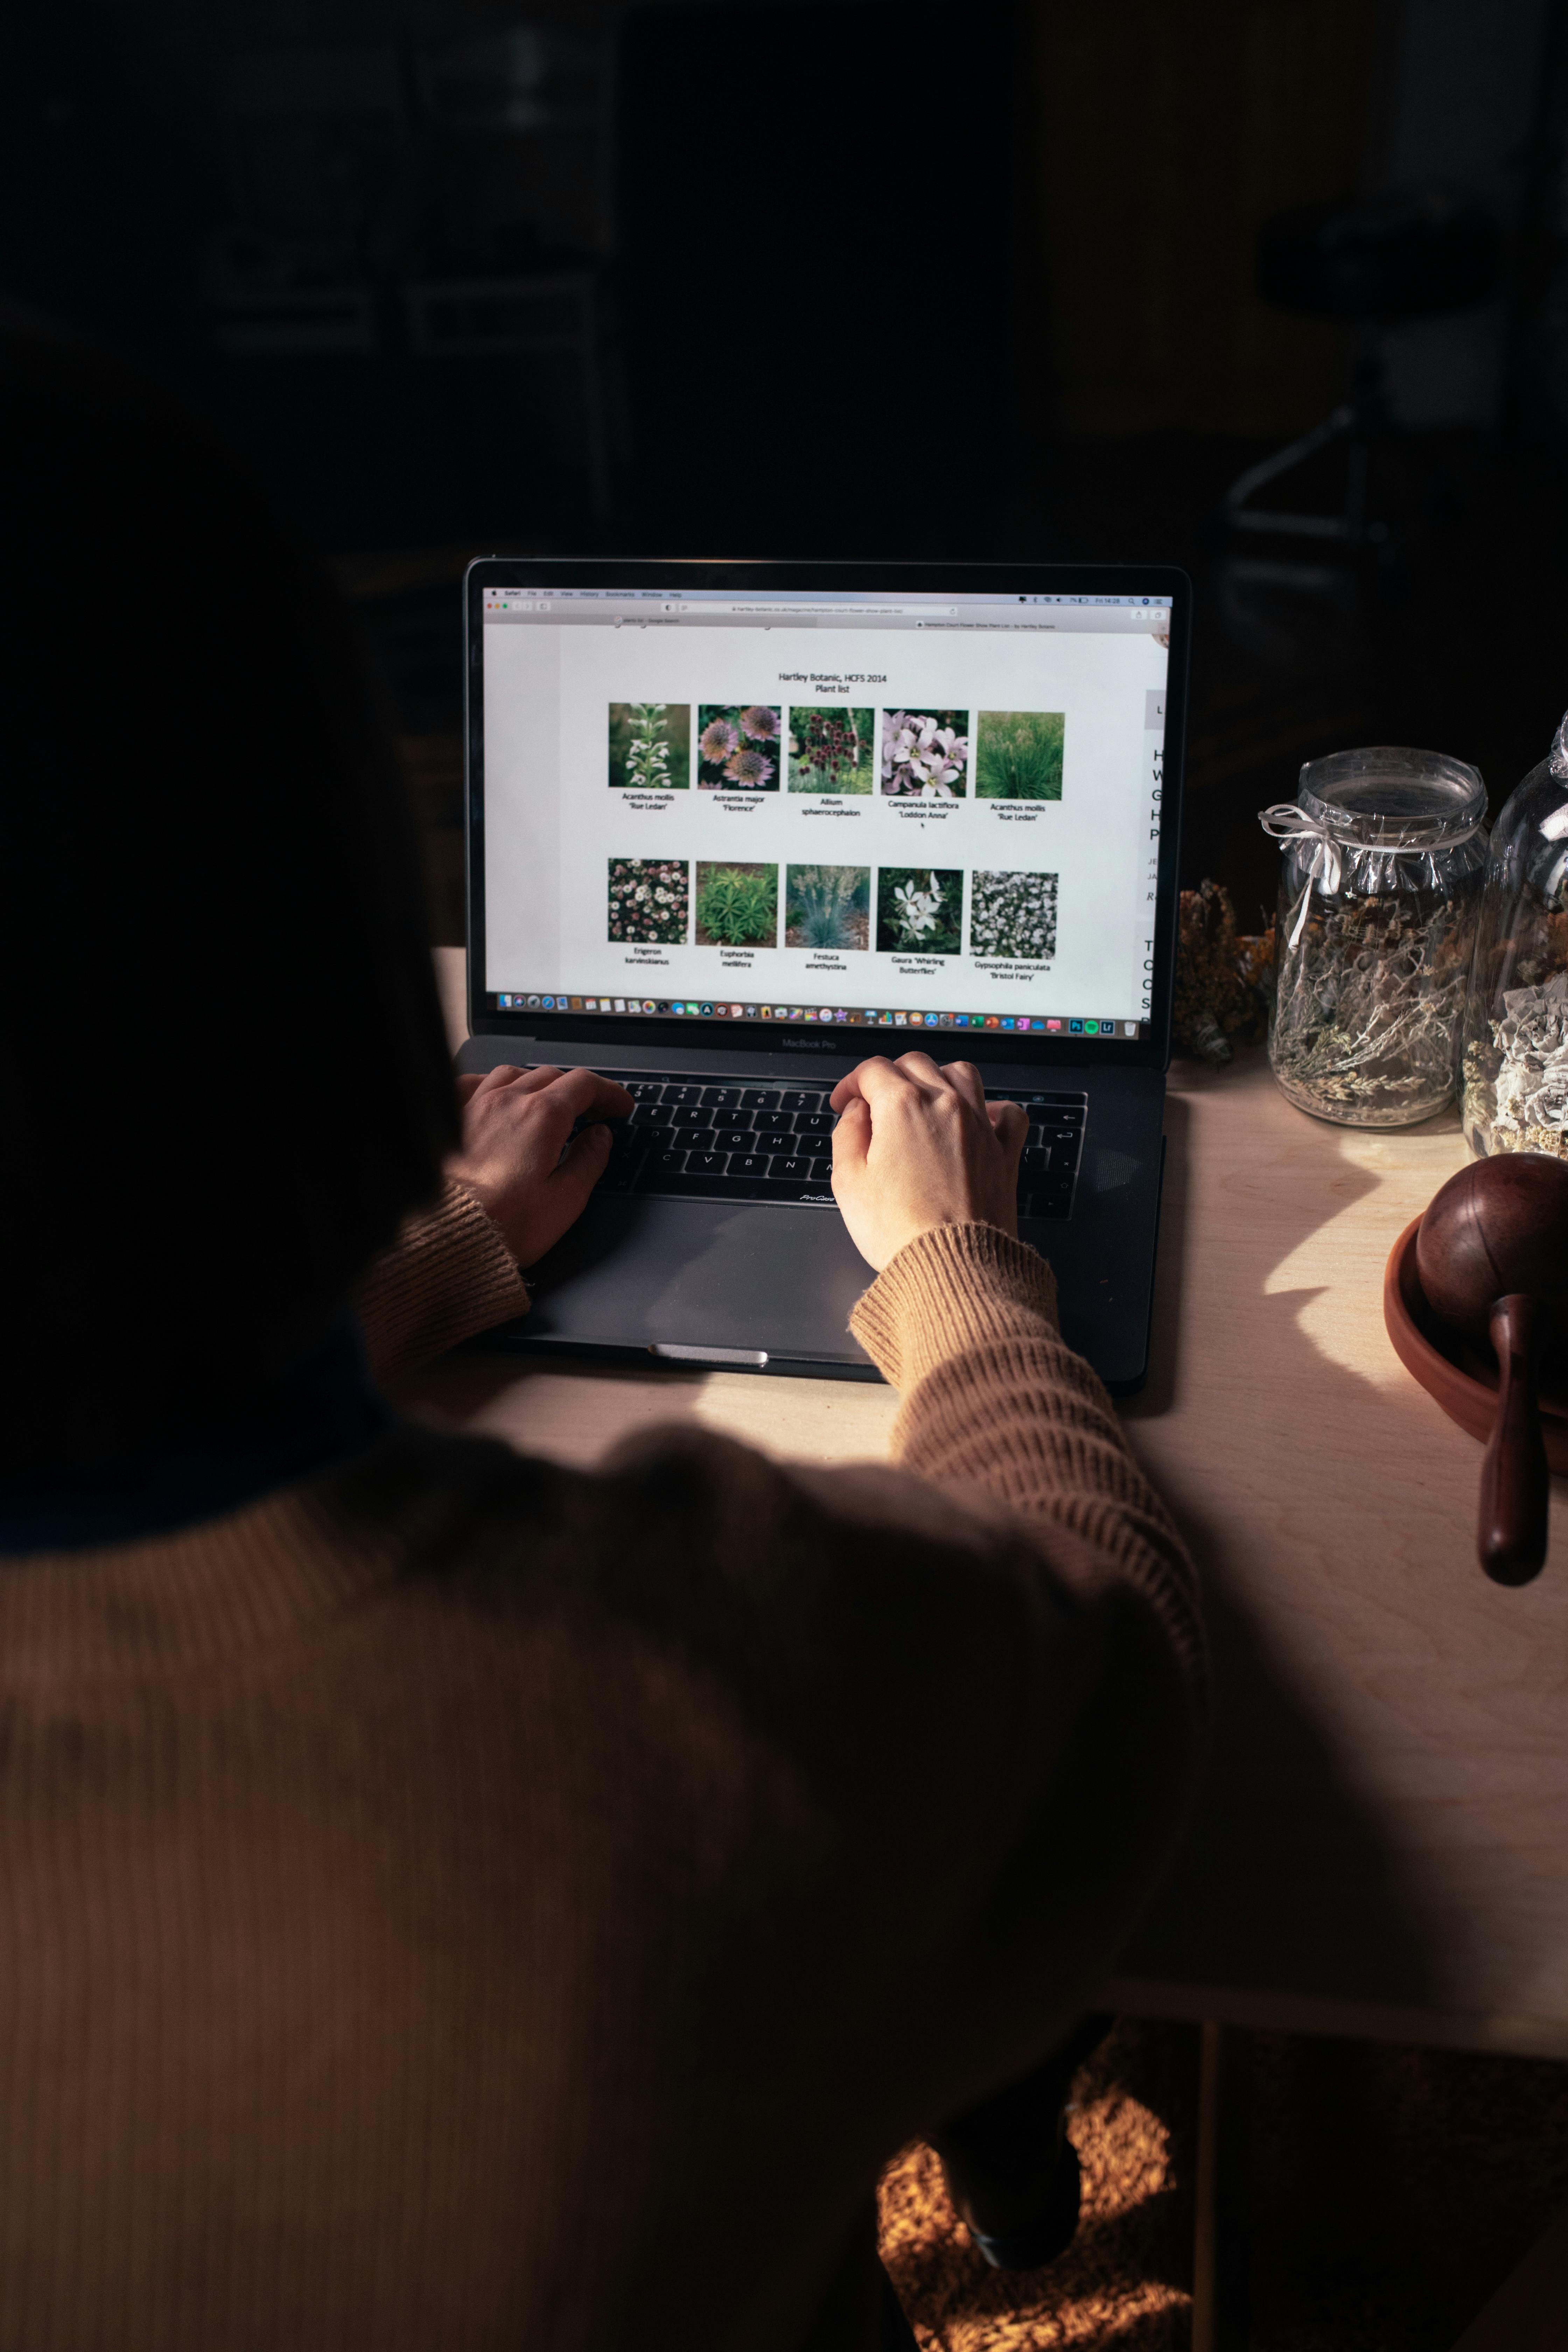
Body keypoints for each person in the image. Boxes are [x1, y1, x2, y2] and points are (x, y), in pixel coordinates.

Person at [0, 311, 1204, 2352]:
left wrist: (458, 1253)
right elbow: (1125, 1685)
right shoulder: (707, 1676)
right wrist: (959, 1276)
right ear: (372, 965)